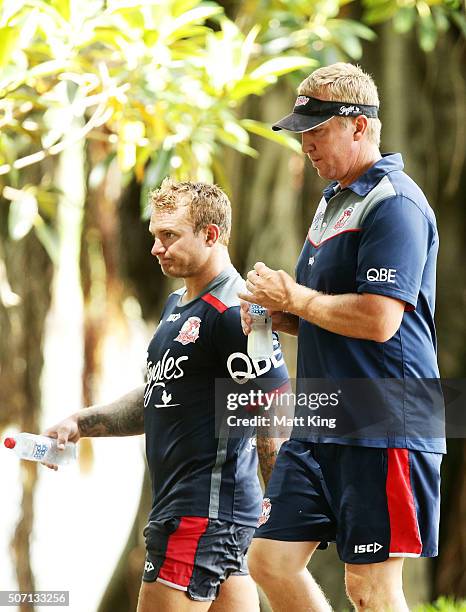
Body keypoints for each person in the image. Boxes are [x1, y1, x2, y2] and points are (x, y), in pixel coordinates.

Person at [239, 62, 444, 611]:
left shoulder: (395, 204)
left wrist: (295, 299)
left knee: (371, 589)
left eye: (317, 129)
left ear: (358, 126)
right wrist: (277, 316)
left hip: (386, 421)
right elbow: (327, 312)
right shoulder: (333, 200)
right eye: (301, 131)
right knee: (268, 560)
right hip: (324, 417)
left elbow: (380, 320)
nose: (305, 143)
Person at [43, 179, 289, 612]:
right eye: (155, 235)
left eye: (169, 235)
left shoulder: (238, 314)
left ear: (211, 235)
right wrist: (80, 423)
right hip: (208, 519)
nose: (156, 247)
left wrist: (283, 515)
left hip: (200, 516)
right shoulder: (177, 306)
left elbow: (273, 410)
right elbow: (158, 396)